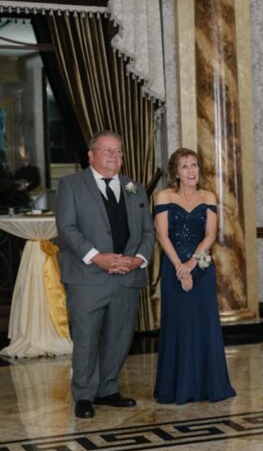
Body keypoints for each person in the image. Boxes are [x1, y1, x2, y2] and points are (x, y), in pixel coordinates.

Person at [55, 131, 154, 419]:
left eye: (119, 151)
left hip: (126, 276)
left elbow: (147, 232)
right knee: (86, 337)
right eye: (108, 150)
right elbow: (67, 228)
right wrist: (97, 257)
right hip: (87, 277)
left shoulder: (134, 187)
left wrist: (138, 260)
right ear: (91, 155)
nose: (115, 156)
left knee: (119, 336)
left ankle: (107, 389)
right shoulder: (71, 185)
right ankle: (84, 395)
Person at [152, 148, 236, 404]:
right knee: (178, 324)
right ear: (175, 172)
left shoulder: (208, 196)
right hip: (173, 266)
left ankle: (208, 386)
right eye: (185, 166)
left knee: (204, 325)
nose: (191, 171)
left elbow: (210, 235)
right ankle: (176, 387)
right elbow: (162, 235)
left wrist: (191, 264)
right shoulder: (164, 196)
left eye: (194, 165)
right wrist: (179, 266)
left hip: (200, 267)